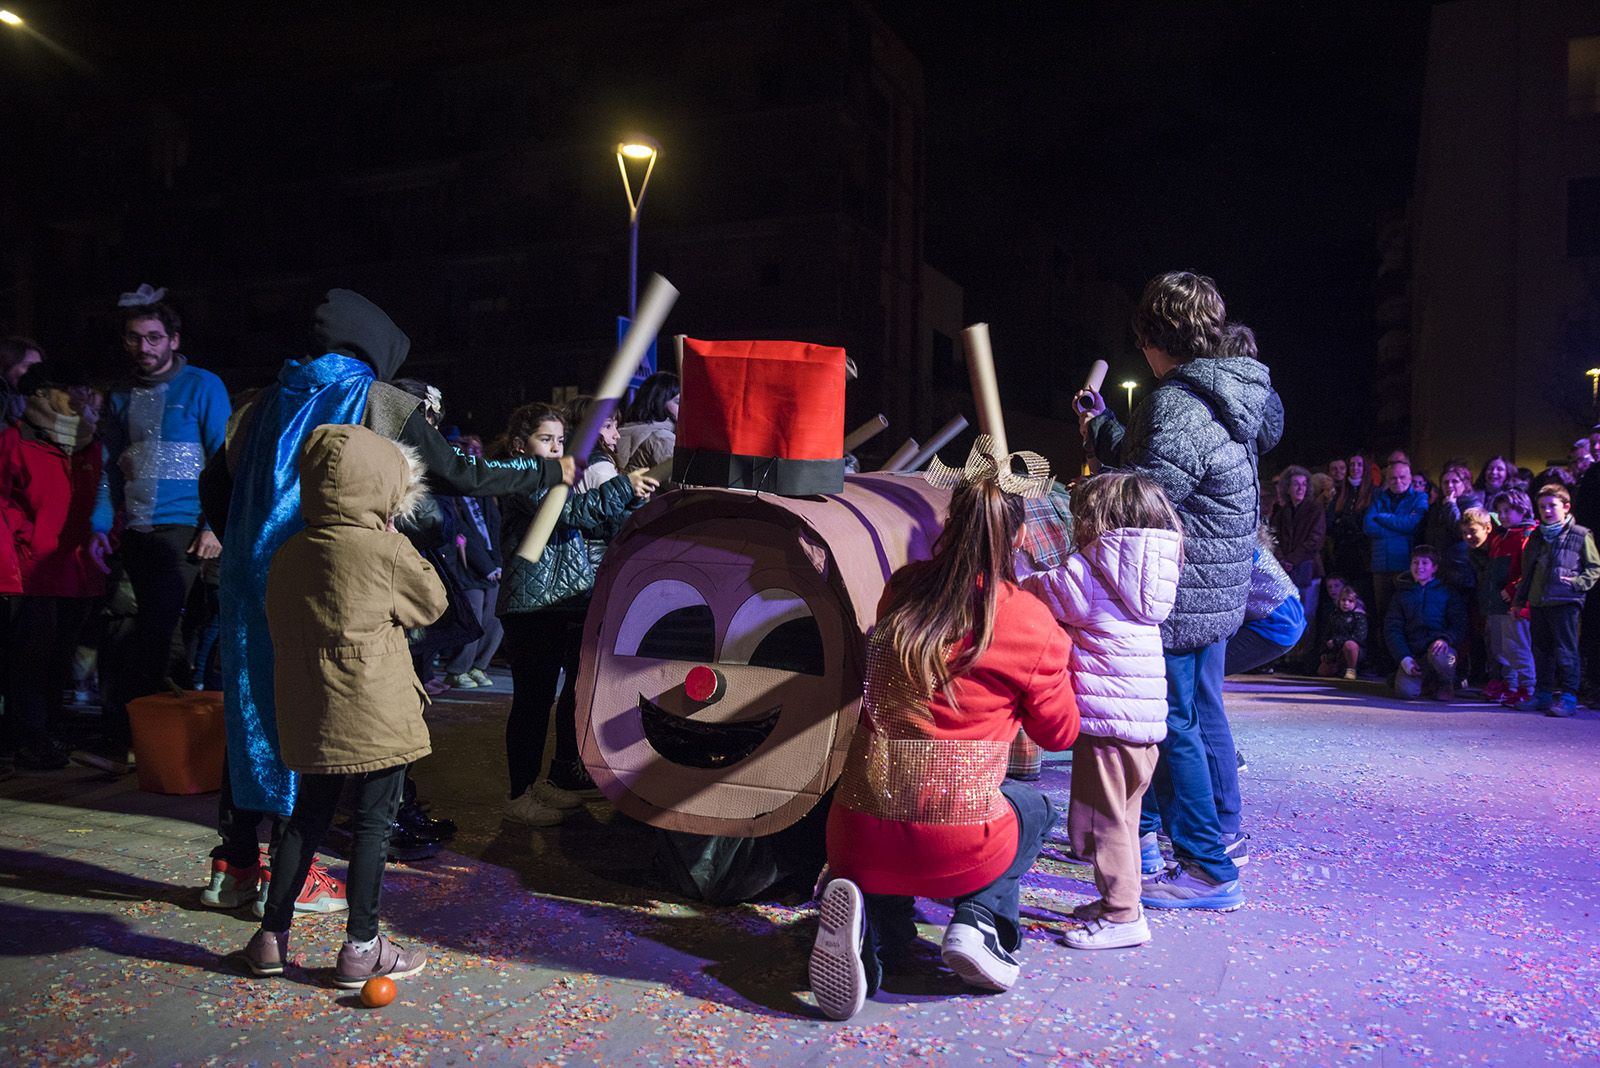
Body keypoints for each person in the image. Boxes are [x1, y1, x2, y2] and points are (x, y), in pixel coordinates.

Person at [196, 289, 573, 917]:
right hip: (332, 578)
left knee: (255, 709)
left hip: (252, 579)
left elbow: (216, 480)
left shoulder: (267, 400)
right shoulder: (377, 397)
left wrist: (244, 542)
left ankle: (235, 864)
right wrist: (544, 474)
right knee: (315, 717)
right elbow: (459, 473)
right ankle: (298, 876)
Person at [809, 436, 1077, 1021]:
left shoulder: (903, 589)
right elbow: (1061, 735)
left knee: (894, 810)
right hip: (960, 844)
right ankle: (981, 921)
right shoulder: (1030, 620)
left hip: (856, 828)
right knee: (1031, 807)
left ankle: (875, 930)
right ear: (1023, 537)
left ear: (949, 523)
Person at [1078, 274, 1280, 912]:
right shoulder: (1226, 391)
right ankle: (1199, 839)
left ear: (1150, 337)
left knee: (1171, 723)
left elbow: (1141, 496)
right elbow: (1167, 464)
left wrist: (1071, 505)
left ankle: (1207, 869)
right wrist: (1104, 429)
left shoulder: (1178, 402)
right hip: (1216, 582)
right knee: (1194, 714)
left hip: (1182, 585)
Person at [238, 423, 446, 983]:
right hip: (376, 712)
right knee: (374, 826)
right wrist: (394, 537)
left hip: (311, 710)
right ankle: (362, 946)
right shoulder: (386, 549)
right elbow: (432, 606)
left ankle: (269, 938)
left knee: (305, 819)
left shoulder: (288, 554)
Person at [1019, 471, 1179, 951]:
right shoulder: (1151, 569)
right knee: (1124, 820)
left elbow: (1035, 591)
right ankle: (1121, 901)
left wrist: (1017, 561)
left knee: (1103, 823)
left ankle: (1123, 915)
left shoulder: (1090, 569)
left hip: (1107, 725)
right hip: (1143, 727)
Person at [80, 290, 230, 774]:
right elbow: (111, 467)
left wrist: (213, 526)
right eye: (134, 338)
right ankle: (154, 742)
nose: (144, 347)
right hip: (137, 531)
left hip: (182, 528)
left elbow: (224, 461)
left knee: (158, 632)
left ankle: (143, 742)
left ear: (174, 339)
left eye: (153, 337)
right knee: (135, 634)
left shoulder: (203, 386)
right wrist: (101, 524)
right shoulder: (122, 396)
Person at [497, 402, 654, 826]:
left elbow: (588, 523)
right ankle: (518, 793)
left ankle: (548, 781)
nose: (554, 448)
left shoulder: (555, 476)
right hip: (531, 604)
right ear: (519, 445)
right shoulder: (521, 476)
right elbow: (569, 513)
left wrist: (635, 509)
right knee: (533, 702)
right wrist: (623, 487)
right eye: (545, 440)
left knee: (568, 696)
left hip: (563, 599)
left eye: (560, 441)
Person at [0, 364, 110, 769]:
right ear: (47, 394)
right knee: (31, 659)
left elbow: (106, 497)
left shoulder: (91, 444)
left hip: (80, 570)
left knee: (61, 659)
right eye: (72, 388)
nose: (81, 396)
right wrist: (19, 542)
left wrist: (105, 539)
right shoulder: (17, 441)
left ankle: (47, 733)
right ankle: (30, 738)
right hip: (33, 570)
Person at [1510, 483, 1600, 717]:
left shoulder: (1580, 535)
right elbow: (1527, 572)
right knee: (1540, 650)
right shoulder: (1536, 537)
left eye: (1552, 505)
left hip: (1565, 602)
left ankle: (1569, 695)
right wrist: (1519, 602)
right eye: (1542, 507)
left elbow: (1594, 568)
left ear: (1566, 507)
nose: (1547, 511)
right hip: (1539, 602)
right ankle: (1542, 694)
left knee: (1566, 650)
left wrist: (1577, 584)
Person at [440, 435, 504, 690]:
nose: (475, 454)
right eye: (470, 450)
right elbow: (462, 529)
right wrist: (486, 567)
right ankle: (458, 669)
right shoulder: (451, 489)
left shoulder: (481, 488)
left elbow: (495, 524)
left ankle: (479, 665)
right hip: (469, 567)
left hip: (491, 562)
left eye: (479, 449)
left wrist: (497, 562)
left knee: (495, 617)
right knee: (473, 614)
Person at [1363, 459, 1428, 667]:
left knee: (1406, 615)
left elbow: (1412, 525)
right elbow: (1368, 526)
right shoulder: (1379, 497)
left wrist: (1384, 518)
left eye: (1402, 477)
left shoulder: (1420, 498)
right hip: (1381, 566)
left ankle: (1407, 659)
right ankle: (1386, 661)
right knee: (1383, 614)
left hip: (1405, 566)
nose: (1397, 481)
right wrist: (1397, 528)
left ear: (1410, 478)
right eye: (1393, 477)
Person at [1384, 545, 1466, 700]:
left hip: (1439, 648)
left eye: (1424, 563)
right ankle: (1426, 681)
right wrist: (1404, 658)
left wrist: (1445, 638)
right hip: (1414, 652)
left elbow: (1458, 624)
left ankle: (1445, 683)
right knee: (1405, 692)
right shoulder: (1401, 594)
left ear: (1434, 567)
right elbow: (1393, 628)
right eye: (1415, 563)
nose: (1419, 567)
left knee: (1442, 658)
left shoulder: (1447, 592)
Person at [1269, 464, 1324, 667]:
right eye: (1295, 484)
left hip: (1307, 570)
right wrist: (1283, 558)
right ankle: (1284, 657)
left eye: (1303, 484)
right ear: (1287, 488)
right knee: (1287, 614)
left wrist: (1292, 559)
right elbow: (1272, 535)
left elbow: (1315, 540)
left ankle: (1302, 660)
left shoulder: (1315, 509)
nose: (1300, 488)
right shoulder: (1282, 511)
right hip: (1285, 571)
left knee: (1306, 614)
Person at [615, 371, 679, 472]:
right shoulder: (663, 438)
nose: (684, 408)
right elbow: (687, 483)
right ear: (659, 401)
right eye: (678, 402)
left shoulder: (618, 432)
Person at [1317, 585, 1367, 680]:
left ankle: (1352, 669)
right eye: (1343, 600)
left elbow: (1359, 637)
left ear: (1356, 602)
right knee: (1323, 671)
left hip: (1353, 650)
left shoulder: (1359, 617)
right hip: (1336, 650)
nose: (1346, 603)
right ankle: (1339, 668)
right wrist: (1324, 650)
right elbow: (1326, 634)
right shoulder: (1334, 616)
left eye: (1350, 601)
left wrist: (1336, 641)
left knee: (1350, 645)